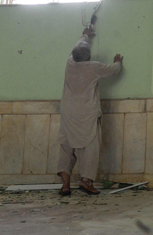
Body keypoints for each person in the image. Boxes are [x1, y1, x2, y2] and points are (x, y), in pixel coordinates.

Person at [56, 28, 123, 196]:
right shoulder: (94, 67)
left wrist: (86, 35)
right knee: (90, 147)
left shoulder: (70, 63)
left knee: (66, 148)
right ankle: (86, 181)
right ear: (89, 56)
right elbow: (113, 70)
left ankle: (65, 186)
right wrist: (118, 62)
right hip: (87, 114)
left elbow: (78, 45)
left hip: (68, 113)